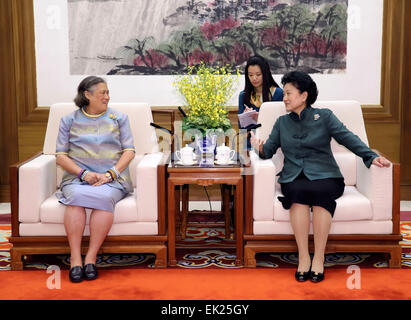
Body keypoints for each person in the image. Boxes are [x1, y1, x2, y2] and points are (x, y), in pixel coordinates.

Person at [250, 71, 390, 283]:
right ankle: (304, 257)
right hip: (294, 177)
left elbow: (348, 138)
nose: (284, 98)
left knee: (321, 193)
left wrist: (370, 156)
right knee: (297, 192)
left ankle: (319, 257)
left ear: (303, 95)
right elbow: (268, 151)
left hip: (326, 175)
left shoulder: (324, 116)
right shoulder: (281, 123)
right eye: (284, 93)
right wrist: (257, 148)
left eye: (288, 93)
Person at [55, 76, 135, 283]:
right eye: (103, 93)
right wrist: (84, 174)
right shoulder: (69, 120)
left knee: (104, 197)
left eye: (108, 93)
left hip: (112, 178)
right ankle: (75, 258)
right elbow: (60, 156)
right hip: (77, 178)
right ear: (87, 95)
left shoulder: (119, 118)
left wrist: (110, 174)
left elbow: (129, 151)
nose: (107, 97)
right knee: (75, 201)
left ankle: (90, 257)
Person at [238, 55, 283, 149]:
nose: (254, 78)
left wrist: (261, 117)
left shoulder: (278, 93)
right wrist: (246, 118)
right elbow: (242, 129)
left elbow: (281, 124)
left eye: (258, 74)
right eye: (250, 75)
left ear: (265, 74)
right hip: (250, 145)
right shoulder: (243, 96)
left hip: (271, 145)